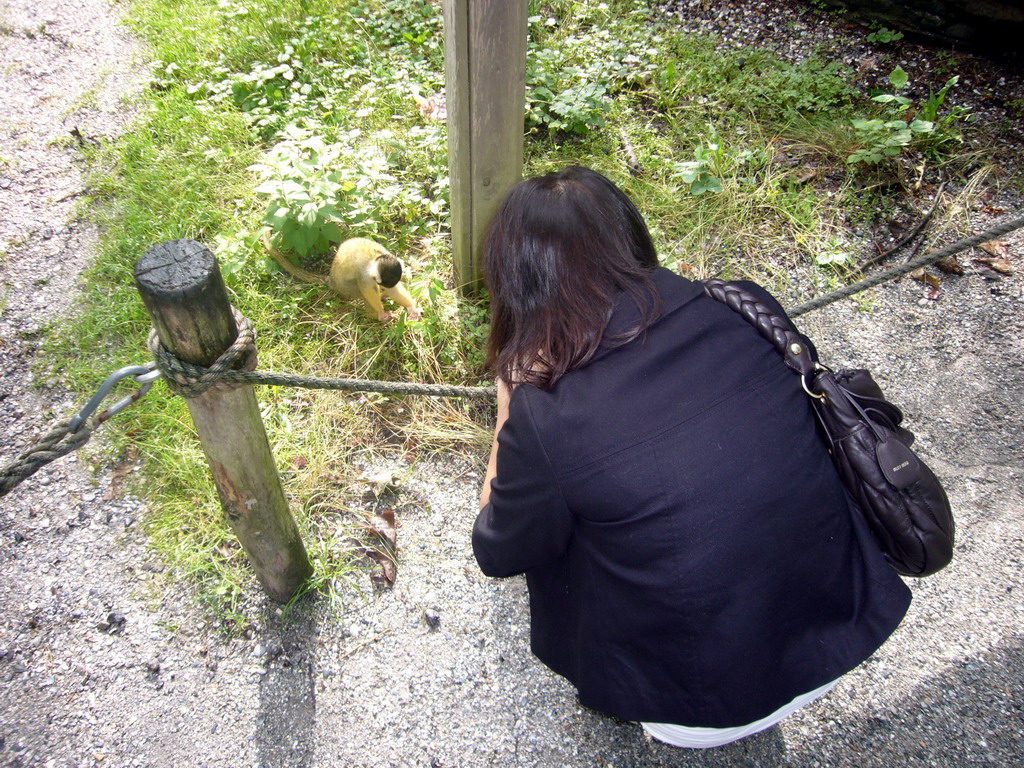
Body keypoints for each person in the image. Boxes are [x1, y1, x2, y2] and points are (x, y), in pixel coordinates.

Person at [472, 166, 911, 748]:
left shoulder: (549, 415)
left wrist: (512, 401)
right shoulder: (742, 305)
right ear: (630, 239)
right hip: (840, 625)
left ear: (519, 283)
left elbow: (498, 549)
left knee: (558, 520)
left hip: (699, 708)